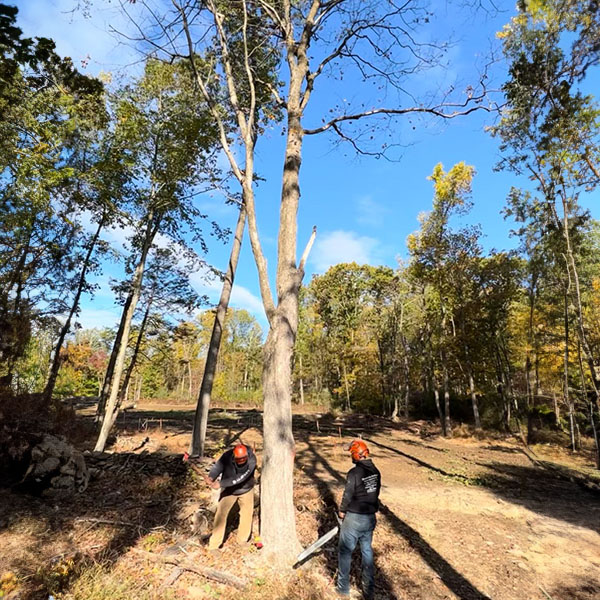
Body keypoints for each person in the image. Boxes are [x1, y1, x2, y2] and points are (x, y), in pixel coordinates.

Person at [337, 439, 381, 599]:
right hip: (370, 518)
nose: (351, 457)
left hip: (354, 517)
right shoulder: (376, 472)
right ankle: (368, 591)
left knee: (345, 552)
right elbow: (376, 494)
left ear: (356, 455)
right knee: (367, 551)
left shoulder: (354, 473)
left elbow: (348, 494)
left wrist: (342, 510)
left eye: (351, 454)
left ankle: (343, 589)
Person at [207, 442, 257, 552]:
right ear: (234, 456)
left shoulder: (252, 459)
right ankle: (214, 545)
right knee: (221, 515)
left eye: (243, 459)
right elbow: (218, 466)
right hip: (229, 491)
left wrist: (221, 484)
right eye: (239, 459)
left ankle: (242, 540)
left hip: (246, 489)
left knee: (246, 514)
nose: (241, 461)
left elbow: (241, 477)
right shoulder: (227, 456)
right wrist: (211, 477)